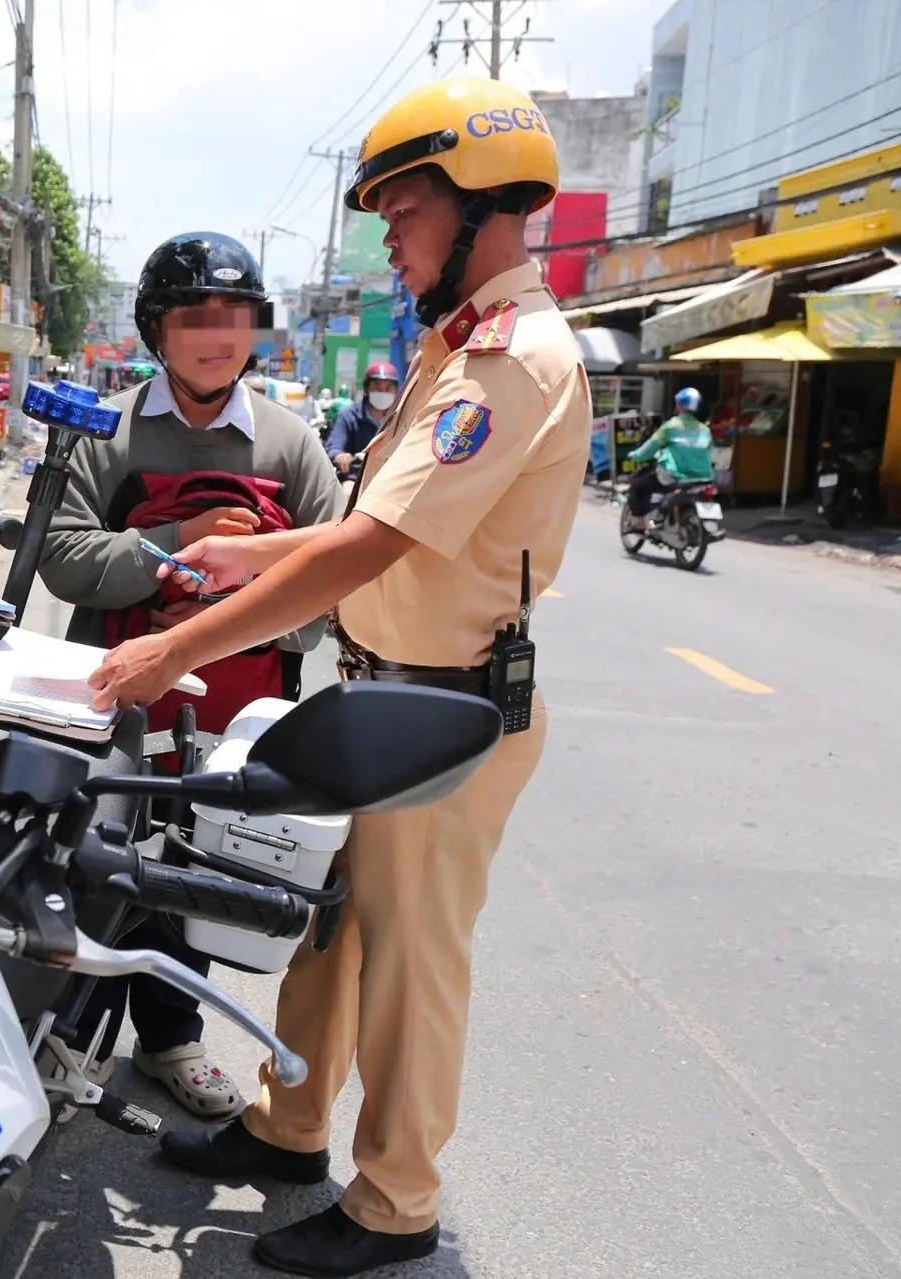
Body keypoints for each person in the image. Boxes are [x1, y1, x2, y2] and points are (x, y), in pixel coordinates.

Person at [87, 76, 587, 1277]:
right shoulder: (455, 346)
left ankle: (396, 1201)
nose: (388, 239)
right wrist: (243, 546)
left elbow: (371, 549)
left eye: (404, 210)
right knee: (331, 931)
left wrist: (173, 646)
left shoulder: (511, 361)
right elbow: (363, 519)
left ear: (477, 206)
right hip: (388, 692)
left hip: (448, 702)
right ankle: (290, 1126)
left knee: (412, 961)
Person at [38, 231, 345, 1120]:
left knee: (199, 868)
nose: (221, 334)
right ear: (156, 330)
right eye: (196, 317)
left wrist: (221, 607)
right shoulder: (107, 430)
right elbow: (60, 554)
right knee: (96, 864)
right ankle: (62, 1036)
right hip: (117, 708)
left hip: (236, 720)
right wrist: (174, 545)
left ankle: (172, 1037)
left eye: (238, 314)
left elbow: (327, 593)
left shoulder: (292, 446)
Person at [624, 387, 714, 527]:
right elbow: (709, 452)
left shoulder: (670, 427)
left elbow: (649, 448)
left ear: (679, 405)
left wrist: (634, 456)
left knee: (637, 485)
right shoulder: (705, 430)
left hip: (675, 476)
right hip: (702, 478)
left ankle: (640, 522)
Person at [325, 362, 401, 479]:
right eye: (377, 386)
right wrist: (340, 455)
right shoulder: (349, 416)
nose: (382, 392)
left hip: (393, 481)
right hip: (356, 480)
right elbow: (335, 445)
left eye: (388, 387)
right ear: (366, 388)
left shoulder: (402, 417)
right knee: (346, 493)